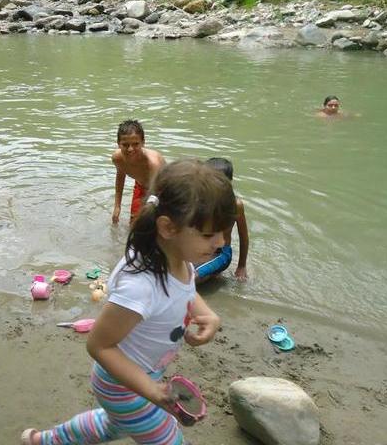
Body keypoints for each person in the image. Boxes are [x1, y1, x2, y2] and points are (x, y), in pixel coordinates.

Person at [22, 159, 233, 445]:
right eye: (209, 234)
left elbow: (184, 289)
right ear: (168, 228)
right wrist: (152, 391)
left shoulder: (178, 258)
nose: (220, 242)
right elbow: (98, 345)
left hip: (144, 376)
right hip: (122, 386)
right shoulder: (140, 286)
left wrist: (206, 313)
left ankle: (44, 441)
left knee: (112, 427)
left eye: (224, 232)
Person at [194, 158, 249, 283]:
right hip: (201, 250)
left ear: (228, 183)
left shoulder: (236, 205)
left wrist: (241, 266)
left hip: (221, 253)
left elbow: (243, 236)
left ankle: (213, 272)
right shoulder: (200, 201)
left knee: (191, 278)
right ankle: (212, 274)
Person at [111, 119, 166, 224]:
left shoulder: (152, 163)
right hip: (141, 186)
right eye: (125, 145)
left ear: (143, 143)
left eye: (136, 144)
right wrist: (117, 207)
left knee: (154, 226)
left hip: (162, 191)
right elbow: (120, 177)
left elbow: (156, 192)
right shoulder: (117, 158)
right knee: (133, 225)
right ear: (118, 144)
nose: (130, 149)